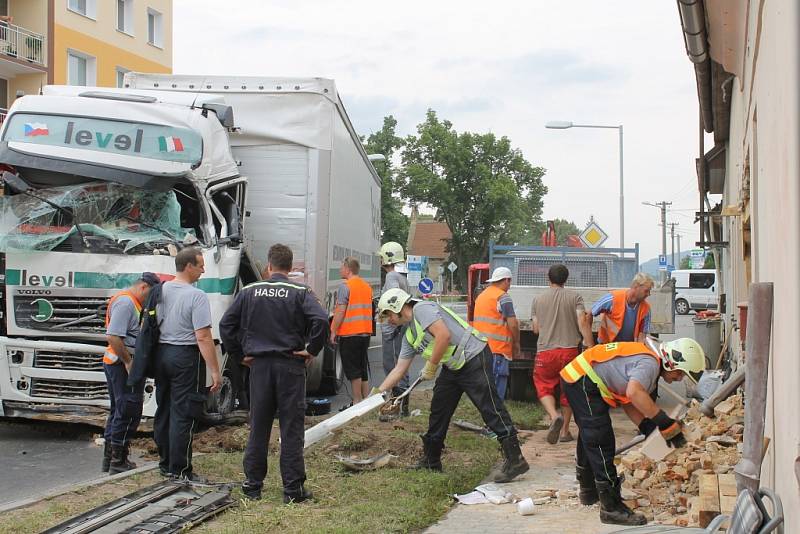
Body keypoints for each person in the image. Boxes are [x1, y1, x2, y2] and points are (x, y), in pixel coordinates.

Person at [375, 288, 529, 483]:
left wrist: (431, 366)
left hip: (473, 356)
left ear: (396, 306)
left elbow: (443, 336)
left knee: (489, 407)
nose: (388, 320)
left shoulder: (422, 309)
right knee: (439, 409)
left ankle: (515, 459)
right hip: (454, 366)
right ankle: (431, 460)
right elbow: (399, 369)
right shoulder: (409, 335)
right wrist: (378, 394)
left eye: (387, 314)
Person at [220, 244, 328, 503]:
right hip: (290, 366)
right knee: (291, 428)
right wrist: (311, 349)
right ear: (290, 268)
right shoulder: (300, 292)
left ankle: (252, 486)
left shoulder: (249, 291)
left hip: (258, 367)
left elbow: (226, 325)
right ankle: (292, 490)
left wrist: (239, 355)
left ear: (268, 266)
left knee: (259, 426)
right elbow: (322, 320)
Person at [560, 337, 706, 526]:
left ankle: (588, 491)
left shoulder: (649, 363)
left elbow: (627, 399)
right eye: (680, 373)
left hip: (579, 377)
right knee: (599, 437)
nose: (679, 378)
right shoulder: (650, 364)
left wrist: (646, 426)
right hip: (582, 379)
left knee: (591, 434)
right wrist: (662, 421)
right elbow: (633, 393)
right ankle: (611, 508)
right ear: (671, 362)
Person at [153, 247, 222, 481]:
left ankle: (165, 463)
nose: (204, 270)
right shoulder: (196, 296)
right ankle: (180, 469)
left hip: (161, 354)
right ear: (189, 266)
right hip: (184, 356)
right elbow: (202, 336)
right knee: (183, 413)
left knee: (164, 409)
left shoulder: (160, 290)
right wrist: (215, 370)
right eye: (201, 265)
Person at [102, 272, 160, 474]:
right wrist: (128, 362)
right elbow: (113, 336)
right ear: (143, 287)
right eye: (151, 294)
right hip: (121, 363)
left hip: (116, 362)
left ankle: (110, 459)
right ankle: (118, 460)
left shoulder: (130, 302)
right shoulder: (127, 303)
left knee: (119, 410)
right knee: (128, 410)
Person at [531, 264, 594, 444]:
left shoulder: (538, 300)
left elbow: (536, 329)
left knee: (543, 386)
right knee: (569, 391)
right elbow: (582, 321)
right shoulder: (575, 297)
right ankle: (565, 431)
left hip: (545, 352)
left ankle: (553, 415)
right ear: (566, 279)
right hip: (570, 352)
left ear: (548, 278)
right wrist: (590, 345)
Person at [330, 256, 373, 407]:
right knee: (362, 367)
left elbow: (341, 310)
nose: (340, 269)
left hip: (350, 333)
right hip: (365, 333)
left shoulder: (345, 286)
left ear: (348, 269)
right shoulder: (366, 286)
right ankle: (366, 399)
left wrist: (333, 330)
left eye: (341, 267)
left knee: (353, 369)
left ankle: (356, 401)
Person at [472, 266, 520, 400]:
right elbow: (513, 324)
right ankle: (496, 417)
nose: (509, 286)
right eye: (509, 282)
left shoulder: (482, 296)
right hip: (498, 349)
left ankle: (487, 415)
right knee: (497, 388)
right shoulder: (503, 297)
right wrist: (516, 343)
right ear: (506, 280)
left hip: (481, 349)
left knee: (486, 386)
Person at [378, 241, 410, 419]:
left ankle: (397, 408)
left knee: (393, 366)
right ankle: (403, 407)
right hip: (399, 328)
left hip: (393, 330)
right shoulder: (401, 277)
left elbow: (393, 299)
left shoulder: (391, 278)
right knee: (400, 366)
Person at [592, 272, 655, 343]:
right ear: (636, 286)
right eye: (646, 291)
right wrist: (589, 344)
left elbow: (642, 336)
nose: (648, 294)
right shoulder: (613, 299)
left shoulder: (646, 309)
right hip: (606, 345)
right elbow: (589, 314)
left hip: (627, 347)